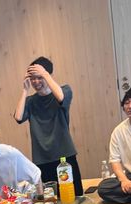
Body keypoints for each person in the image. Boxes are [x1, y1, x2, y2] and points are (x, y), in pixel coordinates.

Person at [13, 56, 83, 196]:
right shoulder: (30, 101)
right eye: (32, 78)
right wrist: (25, 90)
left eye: (39, 77)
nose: (36, 82)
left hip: (65, 156)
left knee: (74, 196)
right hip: (42, 158)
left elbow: (61, 98)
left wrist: (44, 73)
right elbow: (18, 117)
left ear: (48, 75)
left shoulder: (64, 90)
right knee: (51, 199)